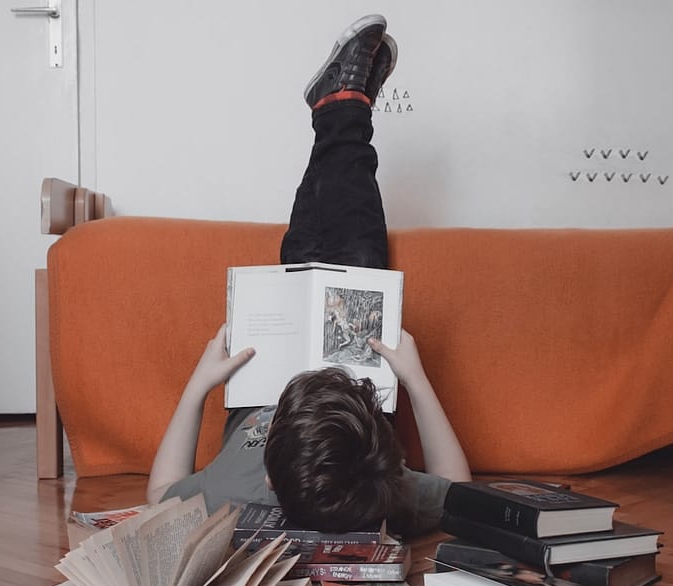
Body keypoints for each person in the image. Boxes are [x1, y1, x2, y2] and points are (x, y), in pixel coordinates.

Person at [145, 15, 471, 537]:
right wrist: (414, 377)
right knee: (355, 257)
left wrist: (200, 386)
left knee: (312, 252)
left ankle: (342, 107)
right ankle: (341, 107)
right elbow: (461, 490)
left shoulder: (237, 492)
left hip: (267, 371)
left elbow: (160, 495)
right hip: (344, 418)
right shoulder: (377, 490)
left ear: (269, 483)